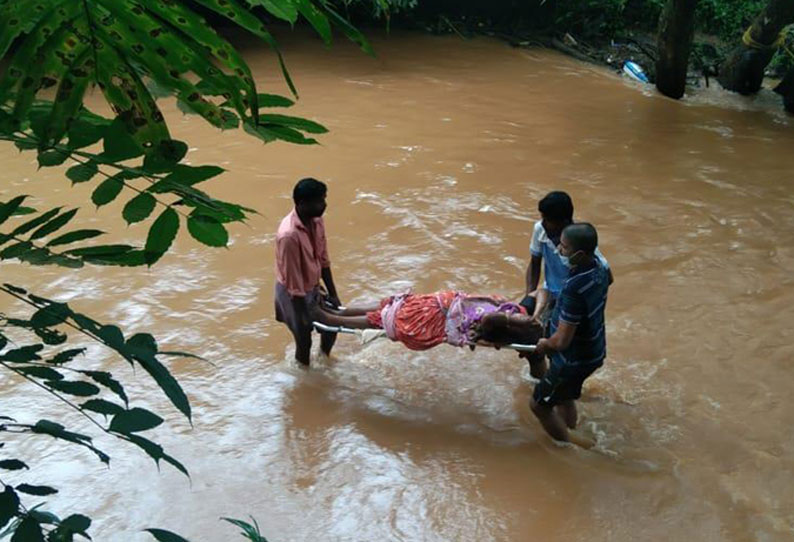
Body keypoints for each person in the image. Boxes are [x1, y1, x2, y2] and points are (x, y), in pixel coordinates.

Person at [529, 223, 610, 444]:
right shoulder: (601, 268)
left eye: (564, 248)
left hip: (572, 359)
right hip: (593, 350)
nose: (558, 252)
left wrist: (544, 344)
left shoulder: (575, 287)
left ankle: (570, 447)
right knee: (563, 396)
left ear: (580, 254)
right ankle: (570, 427)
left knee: (538, 404)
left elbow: (562, 341)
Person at [522, 191, 612, 377]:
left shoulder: (579, 246)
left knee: (558, 346)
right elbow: (535, 263)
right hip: (550, 294)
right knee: (534, 342)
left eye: (548, 220)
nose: (544, 223)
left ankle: (553, 384)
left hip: (569, 301)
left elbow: (606, 276)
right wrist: (529, 295)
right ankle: (545, 382)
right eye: (543, 218)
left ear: (564, 221)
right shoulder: (540, 229)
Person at [312, 291, 542, 351]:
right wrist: (533, 317)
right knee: (391, 312)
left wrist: (527, 319)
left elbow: (494, 317)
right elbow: (541, 293)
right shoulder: (512, 314)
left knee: (392, 311)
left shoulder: (505, 318)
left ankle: (335, 316)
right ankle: (335, 316)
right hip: (442, 310)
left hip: (442, 309)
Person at [274, 178, 341, 365]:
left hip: (311, 285)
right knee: (304, 339)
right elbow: (294, 283)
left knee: (331, 327)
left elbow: (323, 259)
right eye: (319, 201)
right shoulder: (288, 236)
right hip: (292, 293)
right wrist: (302, 316)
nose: (324, 205)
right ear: (302, 204)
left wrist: (333, 294)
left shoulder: (317, 220)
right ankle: (304, 372)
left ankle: (323, 357)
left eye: (324, 199)